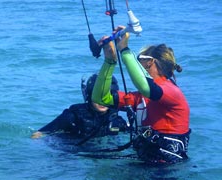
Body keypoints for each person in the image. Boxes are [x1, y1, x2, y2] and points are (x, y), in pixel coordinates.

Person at [91, 26, 191, 164]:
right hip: (144, 163)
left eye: (139, 60)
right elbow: (100, 98)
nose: (136, 64)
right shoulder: (139, 98)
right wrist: (110, 61)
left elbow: (147, 87)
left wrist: (124, 50)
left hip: (167, 169)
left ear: (150, 62)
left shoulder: (173, 92)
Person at [31, 74, 128, 143]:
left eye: (106, 97)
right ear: (89, 96)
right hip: (70, 150)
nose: (102, 101)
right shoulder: (74, 115)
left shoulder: (116, 120)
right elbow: (40, 133)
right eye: (97, 97)